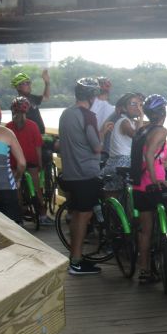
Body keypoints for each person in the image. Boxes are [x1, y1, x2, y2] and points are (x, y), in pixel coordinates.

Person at [58, 77, 104, 275]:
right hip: (86, 174)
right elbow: (96, 146)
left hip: (70, 173)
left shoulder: (65, 114)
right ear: (92, 96)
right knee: (84, 216)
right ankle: (76, 262)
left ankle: (76, 258)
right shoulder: (88, 115)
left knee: (78, 215)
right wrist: (104, 137)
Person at [131, 93, 167, 284]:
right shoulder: (161, 131)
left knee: (145, 231)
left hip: (139, 185)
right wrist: (156, 180)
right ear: (163, 112)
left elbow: (145, 155)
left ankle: (145, 270)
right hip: (153, 185)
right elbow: (149, 157)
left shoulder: (141, 129)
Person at [6, 96, 52, 225]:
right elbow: (38, 147)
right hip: (31, 161)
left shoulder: (8, 127)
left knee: (17, 189)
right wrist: (40, 164)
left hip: (15, 162)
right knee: (37, 188)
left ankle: (19, 217)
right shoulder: (33, 125)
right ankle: (43, 215)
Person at [100, 92, 143, 191]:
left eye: (139, 104)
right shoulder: (124, 121)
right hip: (121, 163)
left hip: (121, 162)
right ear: (124, 108)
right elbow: (136, 136)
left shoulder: (131, 122)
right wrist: (141, 117)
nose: (138, 107)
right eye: (133, 104)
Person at [11, 70, 50, 135]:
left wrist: (47, 82)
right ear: (18, 87)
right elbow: (19, 124)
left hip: (40, 134)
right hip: (30, 137)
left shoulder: (32, 97)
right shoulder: (17, 103)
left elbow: (46, 97)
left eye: (29, 82)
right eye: (25, 83)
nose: (29, 85)